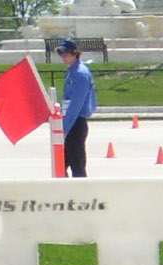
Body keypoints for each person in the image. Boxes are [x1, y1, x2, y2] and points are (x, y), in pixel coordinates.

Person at [57, 39, 95, 178]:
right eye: (61, 54)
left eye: (65, 53)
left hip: (76, 123)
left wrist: (64, 129)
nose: (63, 57)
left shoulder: (80, 74)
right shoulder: (71, 72)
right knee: (60, 165)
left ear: (75, 54)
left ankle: (82, 195)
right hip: (69, 121)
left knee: (77, 167)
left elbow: (75, 105)